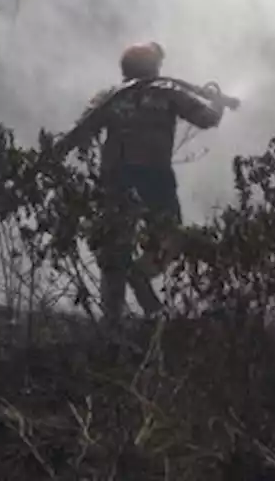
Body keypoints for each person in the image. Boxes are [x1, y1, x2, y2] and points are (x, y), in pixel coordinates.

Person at [63, 41, 228, 324]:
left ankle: (111, 319)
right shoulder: (167, 92)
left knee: (115, 245)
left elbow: (80, 131)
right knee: (169, 236)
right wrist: (219, 103)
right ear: (153, 68)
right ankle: (140, 277)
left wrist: (53, 155)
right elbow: (207, 119)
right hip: (155, 177)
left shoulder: (109, 97)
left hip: (115, 178)